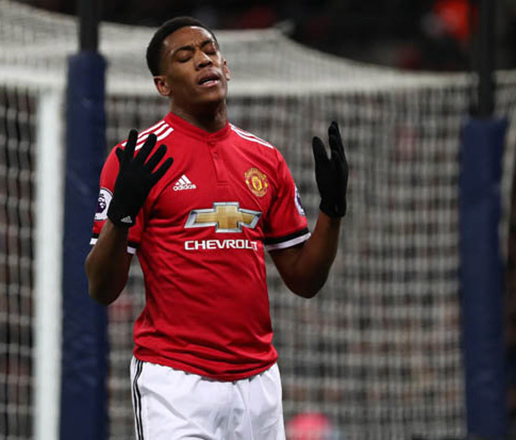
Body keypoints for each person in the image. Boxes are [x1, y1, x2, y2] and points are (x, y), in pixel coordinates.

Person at [85, 16, 348, 440]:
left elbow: (305, 279)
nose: (203, 60)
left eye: (210, 51)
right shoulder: (136, 160)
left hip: (259, 384)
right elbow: (101, 288)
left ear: (226, 67)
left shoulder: (266, 158)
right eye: (185, 56)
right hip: (176, 382)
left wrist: (332, 211)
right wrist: (121, 216)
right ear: (163, 85)